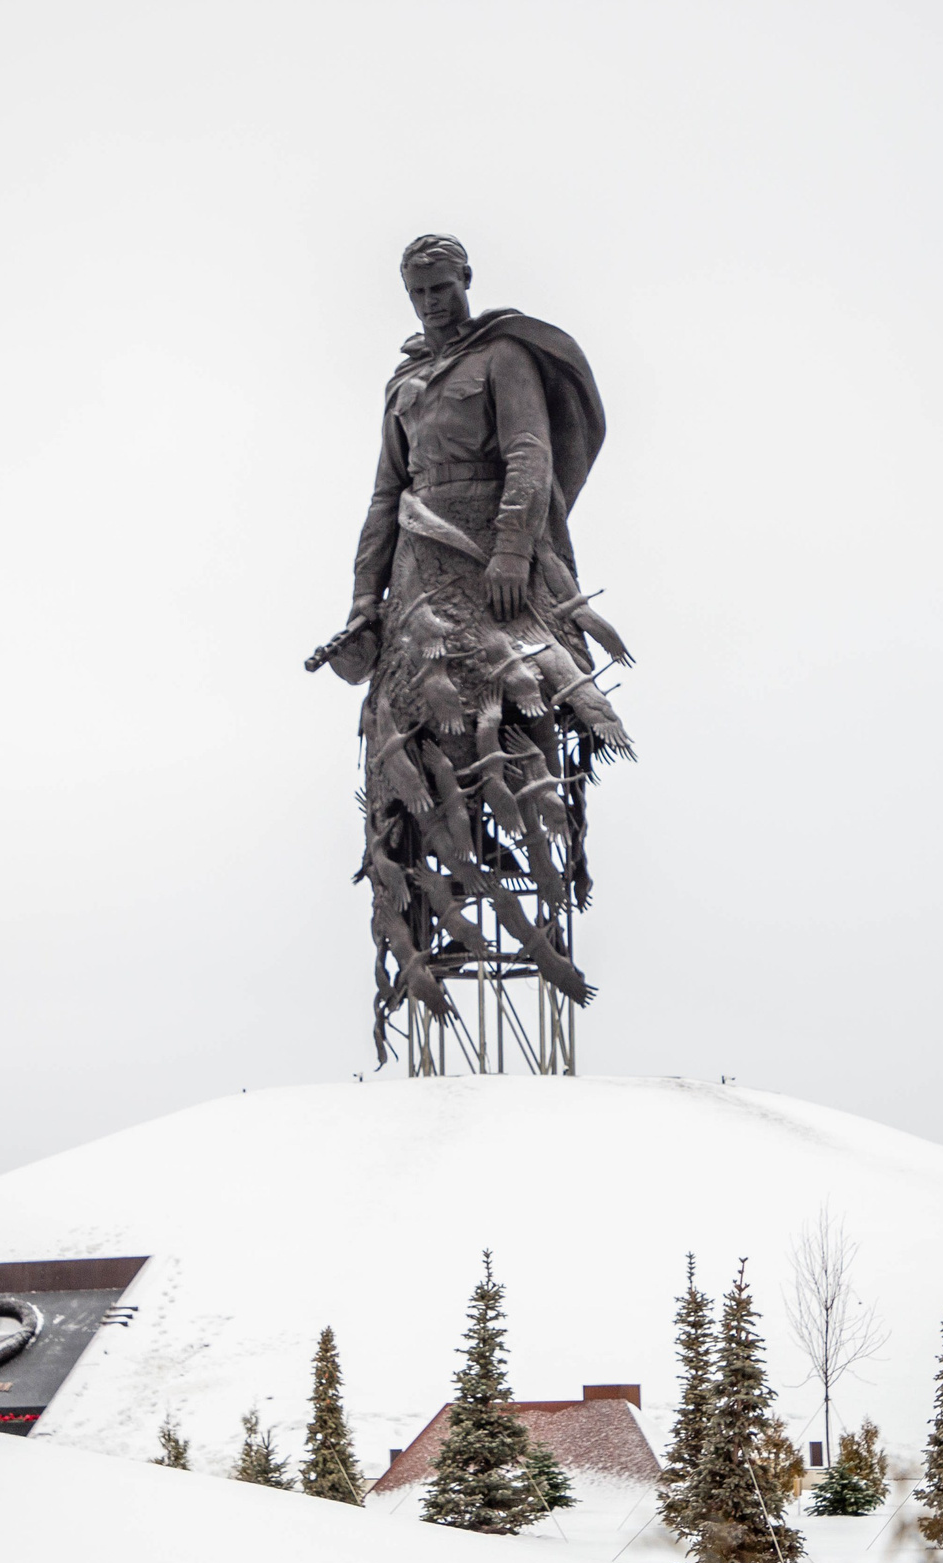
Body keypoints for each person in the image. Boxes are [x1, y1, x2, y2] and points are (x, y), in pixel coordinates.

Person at [307, 235, 633, 1062]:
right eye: (417, 292)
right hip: (420, 576)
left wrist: (516, 554)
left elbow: (531, 455)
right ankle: (441, 899)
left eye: (441, 288)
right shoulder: (405, 386)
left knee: (512, 731)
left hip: (495, 563)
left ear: (466, 280)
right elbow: (387, 496)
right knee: (415, 757)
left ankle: (515, 881)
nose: (431, 304)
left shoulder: (503, 357)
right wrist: (361, 605)